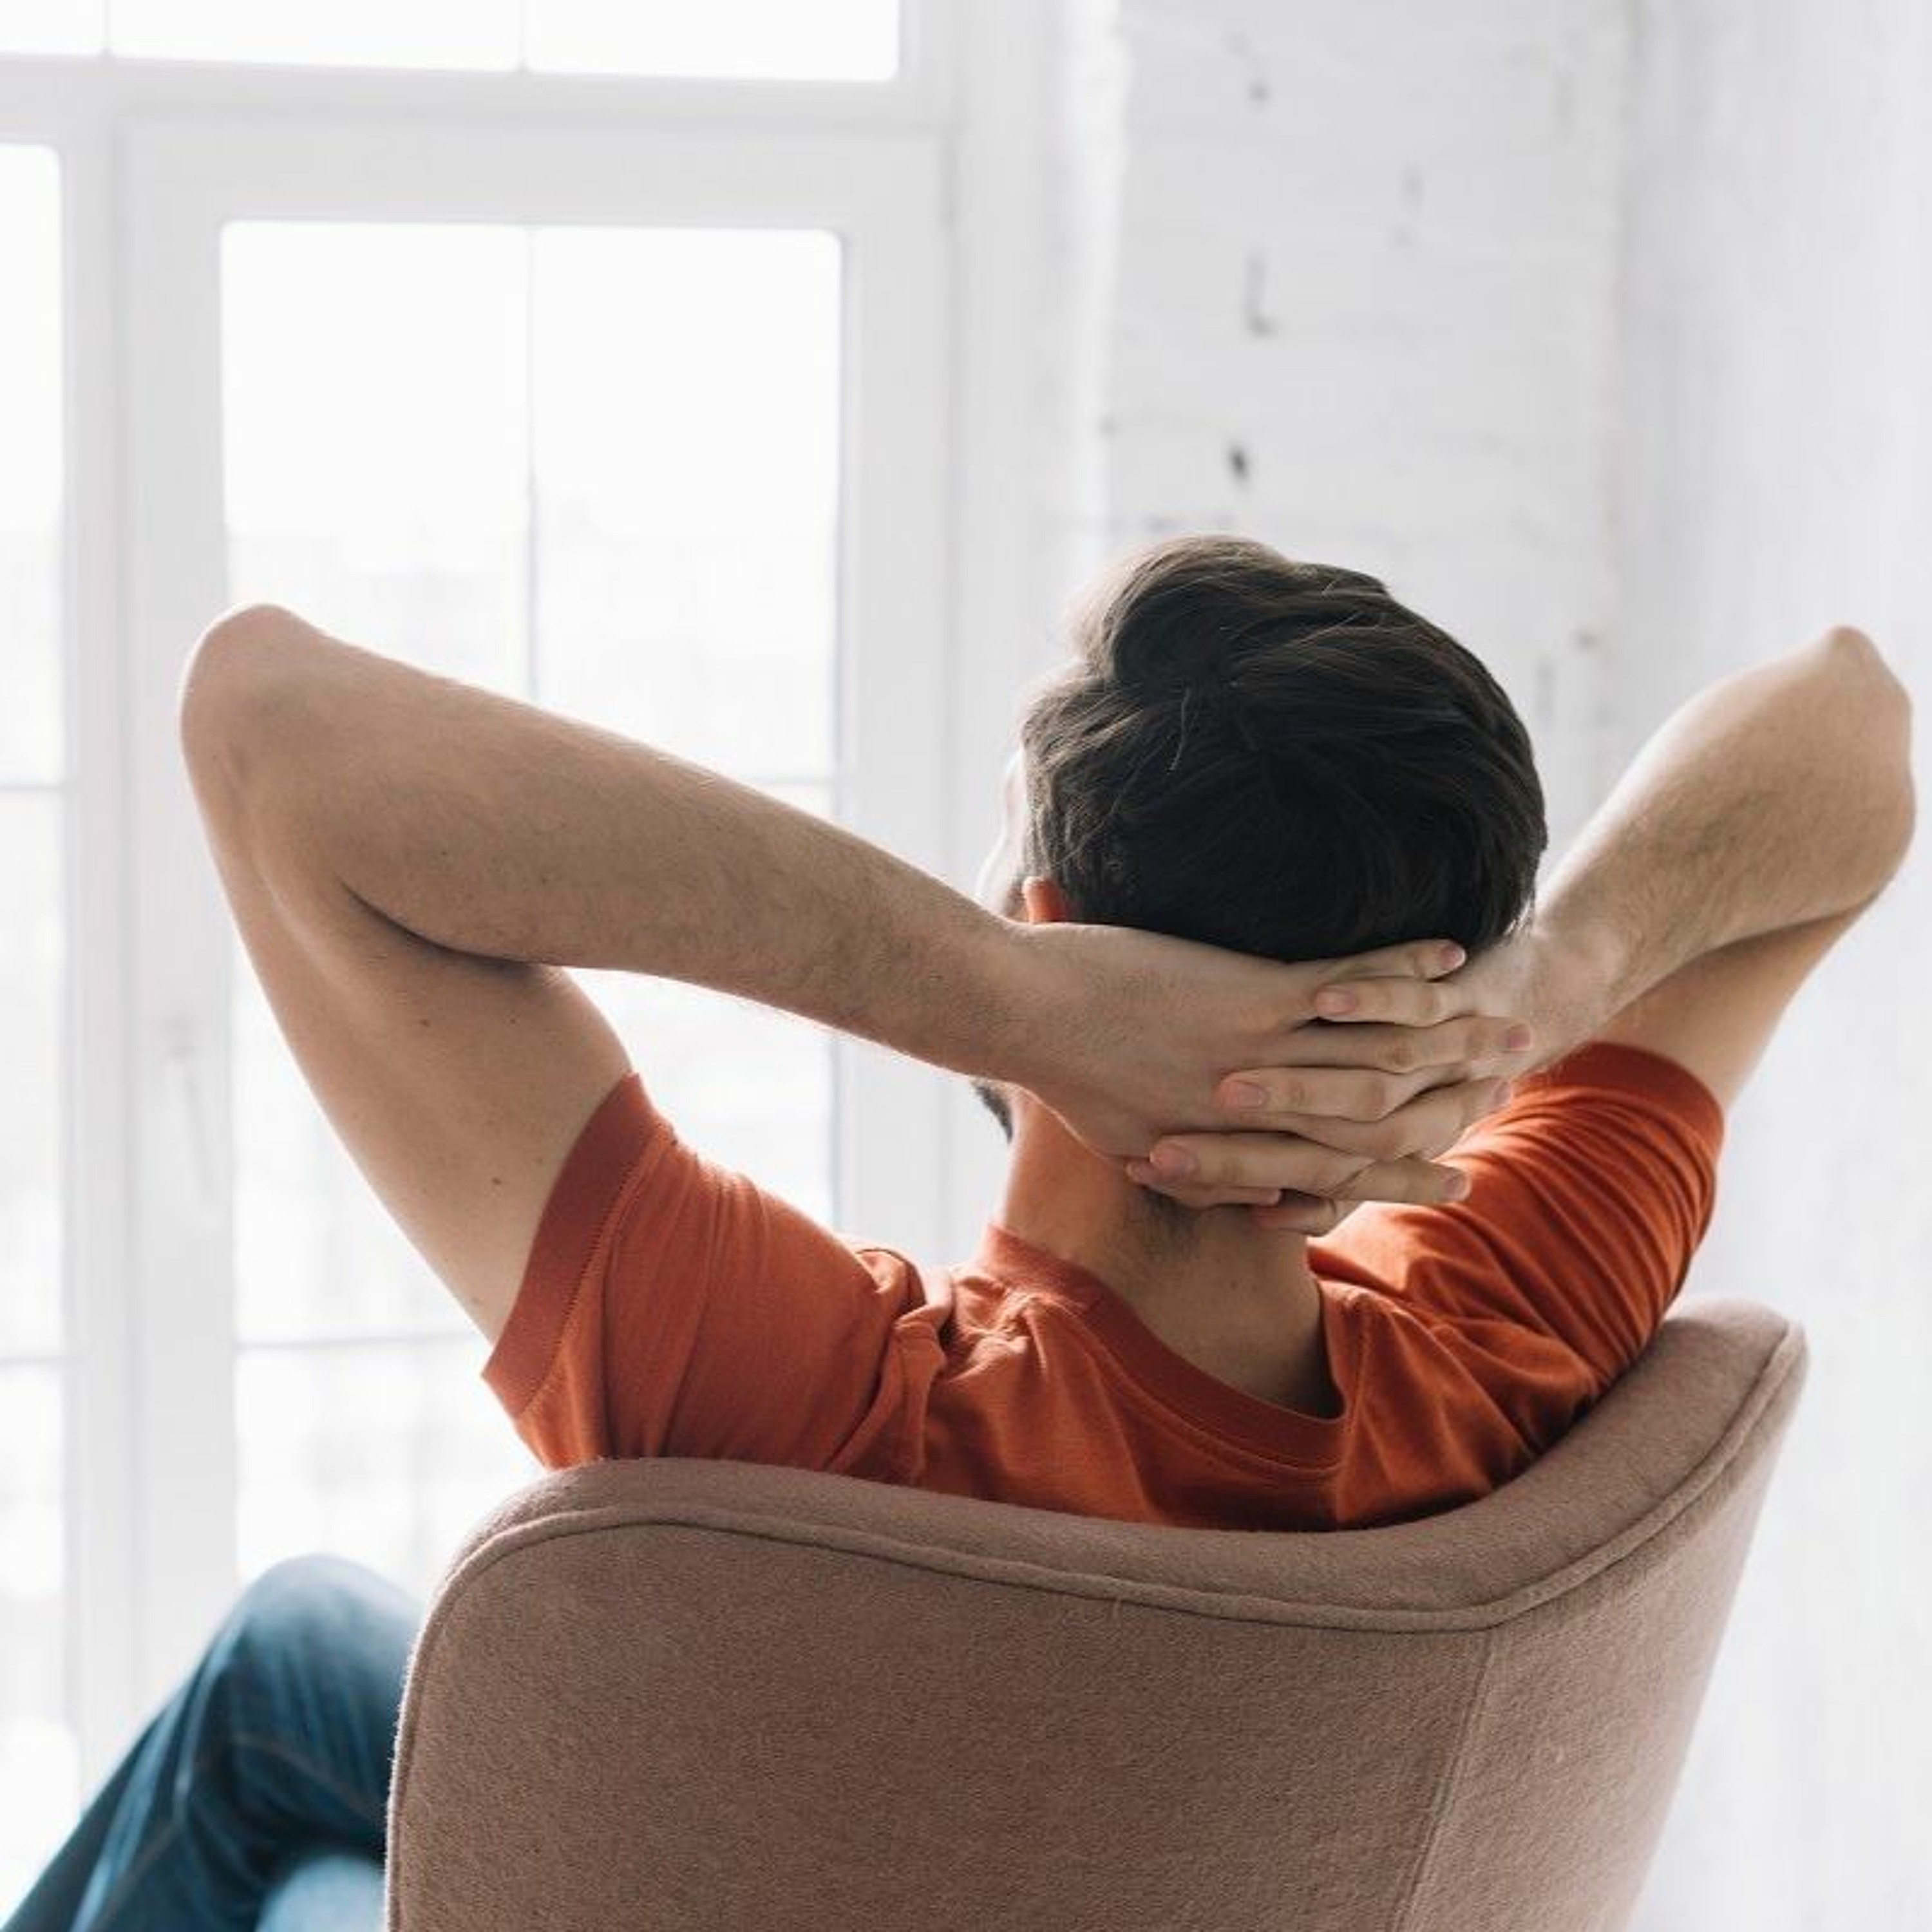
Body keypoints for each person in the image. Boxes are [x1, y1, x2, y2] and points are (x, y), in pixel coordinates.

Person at [10, 536, 1913, 1929]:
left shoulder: (827, 1421)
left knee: (274, 1715)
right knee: (300, 1642)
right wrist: (1547, 987)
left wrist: (1001, 998)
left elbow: (267, 721)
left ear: (1046, 914)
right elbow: (1857, 720)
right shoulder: (1507, 1323)